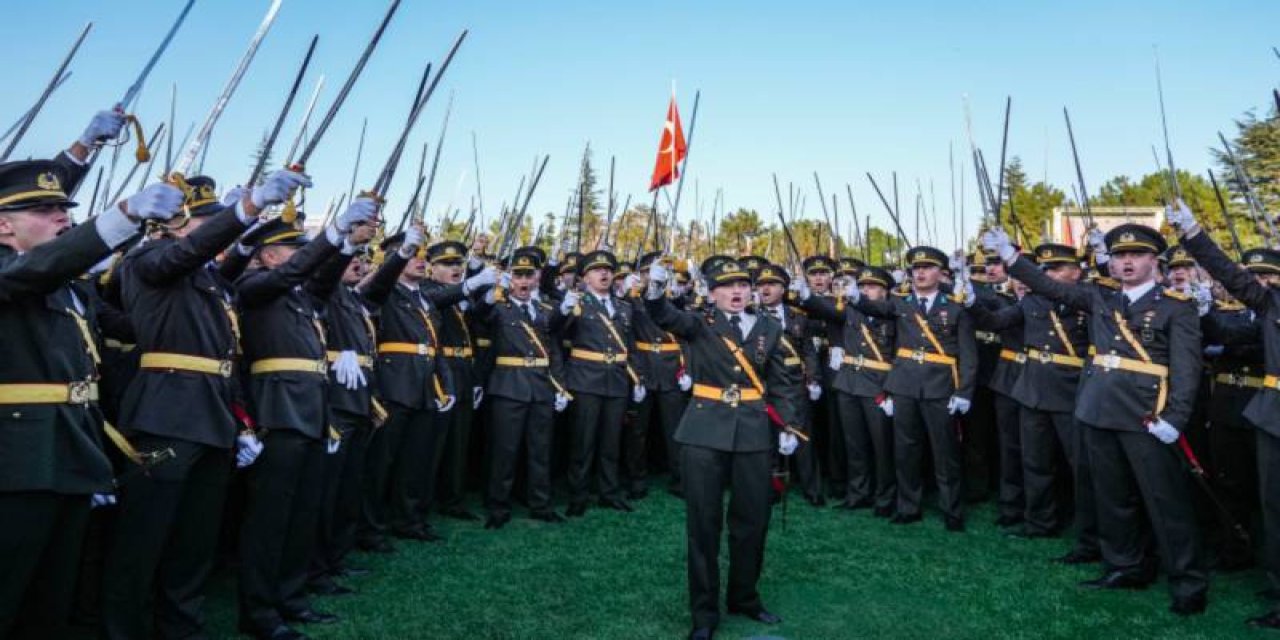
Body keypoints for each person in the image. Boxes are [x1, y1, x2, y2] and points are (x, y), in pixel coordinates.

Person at [101, 172, 298, 640]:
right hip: (165, 413)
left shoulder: (212, 282)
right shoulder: (149, 258)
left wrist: (241, 421)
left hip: (212, 415)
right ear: (173, 224)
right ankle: (123, 631)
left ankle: (182, 627)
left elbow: (226, 356)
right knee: (142, 538)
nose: (215, 231)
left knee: (195, 539)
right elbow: (187, 252)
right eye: (206, 222)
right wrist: (246, 209)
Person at [0, 135, 179, 637]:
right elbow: (38, 268)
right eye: (44, 210)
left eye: (64, 208)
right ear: (3, 225)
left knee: (51, 600)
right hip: (15, 463)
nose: (62, 216)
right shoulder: (17, 273)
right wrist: (121, 216)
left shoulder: (63, 286)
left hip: (68, 451)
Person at [985, 221, 1208, 616]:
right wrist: (1009, 257)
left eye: (1136, 255)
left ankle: (1188, 581)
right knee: (1112, 496)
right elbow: (1049, 286)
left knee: (1165, 501)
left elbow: (1187, 370)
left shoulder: (1176, 305)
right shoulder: (1100, 296)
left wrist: (1174, 417)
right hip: (1098, 409)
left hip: (1146, 415)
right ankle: (1125, 565)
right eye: (1120, 256)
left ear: (1154, 261)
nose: (1127, 262)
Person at [235, 197, 378, 639]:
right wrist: (333, 233)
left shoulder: (299, 298)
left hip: (313, 412)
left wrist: (348, 243)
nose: (300, 255)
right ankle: (259, 611)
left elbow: (321, 278)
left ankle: (292, 597)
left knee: (302, 513)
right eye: (292, 248)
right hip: (278, 413)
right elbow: (294, 274)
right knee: (270, 520)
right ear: (267, 256)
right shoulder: (254, 286)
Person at [644, 257, 803, 640]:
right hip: (704, 431)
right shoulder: (699, 322)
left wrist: (789, 424)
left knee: (753, 521)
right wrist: (655, 289)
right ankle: (704, 614)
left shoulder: (769, 326)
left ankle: (744, 598)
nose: (737, 291)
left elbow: (781, 381)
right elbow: (664, 315)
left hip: (753, 433)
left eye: (743, 285)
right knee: (703, 525)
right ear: (712, 293)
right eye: (727, 286)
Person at [1168, 201, 1280, 626]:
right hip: (1273, 414)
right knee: (1273, 505)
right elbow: (1231, 274)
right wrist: (1193, 233)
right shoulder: (1272, 302)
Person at [817, 246, 977, 531]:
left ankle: (952, 510)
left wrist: (964, 392)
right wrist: (855, 296)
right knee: (906, 451)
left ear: (940, 273)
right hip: (904, 385)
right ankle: (908, 506)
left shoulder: (956, 306)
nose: (921, 273)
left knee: (945, 453)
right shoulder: (901, 303)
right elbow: (875, 307)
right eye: (916, 268)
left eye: (927, 268)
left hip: (940, 386)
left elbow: (968, 355)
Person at [477, 247, 570, 528]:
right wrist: (491, 292)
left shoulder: (544, 310)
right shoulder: (498, 307)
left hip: (540, 387)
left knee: (540, 450)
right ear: (510, 278)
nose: (524, 281)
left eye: (529, 275)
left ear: (536, 278)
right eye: (518, 275)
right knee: (505, 450)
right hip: (508, 386)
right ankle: (498, 506)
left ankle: (540, 504)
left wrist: (560, 387)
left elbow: (553, 351)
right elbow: (480, 315)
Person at [550, 249, 646, 516]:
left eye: (607, 270)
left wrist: (638, 378)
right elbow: (553, 331)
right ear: (585, 278)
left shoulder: (624, 307)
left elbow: (630, 346)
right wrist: (563, 309)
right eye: (596, 270)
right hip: (585, 380)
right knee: (583, 442)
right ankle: (578, 495)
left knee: (611, 442)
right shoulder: (576, 303)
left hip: (616, 380)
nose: (603, 273)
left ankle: (609, 492)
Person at [801, 265, 897, 516]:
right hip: (848, 383)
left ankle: (885, 497)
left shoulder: (894, 313)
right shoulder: (850, 311)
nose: (865, 291)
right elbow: (826, 309)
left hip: (878, 384)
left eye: (872, 287)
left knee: (882, 446)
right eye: (862, 286)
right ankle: (858, 493)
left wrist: (892, 389)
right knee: (854, 444)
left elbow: (900, 355)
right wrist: (806, 296)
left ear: (885, 291)